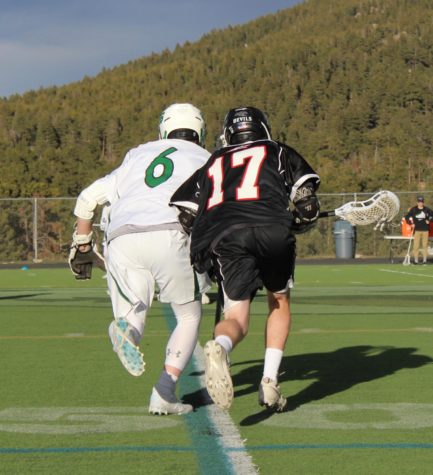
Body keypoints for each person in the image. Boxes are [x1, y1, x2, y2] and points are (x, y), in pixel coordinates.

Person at [171, 106, 320, 411]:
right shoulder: (277, 151)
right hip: (270, 229)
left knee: (236, 317)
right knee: (278, 300)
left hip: (225, 237)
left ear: (228, 133)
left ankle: (222, 346)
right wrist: (299, 218)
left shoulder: (214, 161)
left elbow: (185, 213)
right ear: (262, 128)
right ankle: (268, 382)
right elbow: (307, 203)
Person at [68, 103, 210, 415]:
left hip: (121, 235)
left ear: (163, 129)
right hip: (173, 233)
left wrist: (81, 244)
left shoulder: (137, 155)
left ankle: (126, 332)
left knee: (134, 313)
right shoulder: (207, 158)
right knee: (188, 316)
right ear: (199, 131)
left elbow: (87, 200)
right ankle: (164, 391)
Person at [405, 196, 433, 265]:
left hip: (425, 230)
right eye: (419, 202)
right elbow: (407, 217)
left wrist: (429, 220)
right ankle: (416, 260)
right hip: (416, 230)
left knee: (424, 245)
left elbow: (432, 216)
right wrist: (411, 223)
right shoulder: (413, 209)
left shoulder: (427, 210)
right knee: (416, 246)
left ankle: (424, 260)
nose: (420, 203)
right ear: (417, 202)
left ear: (423, 202)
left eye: (421, 202)